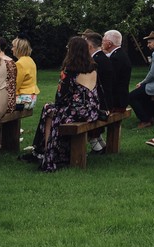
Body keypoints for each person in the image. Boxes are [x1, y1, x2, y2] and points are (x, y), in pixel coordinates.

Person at [31, 36, 101, 172]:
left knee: (48, 110)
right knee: (52, 110)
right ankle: (53, 151)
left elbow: (60, 96)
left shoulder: (70, 70)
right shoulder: (93, 67)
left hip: (79, 111)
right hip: (92, 109)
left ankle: (47, 151)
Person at [97, 30, 134, 113]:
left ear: (109, 43)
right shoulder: (120, 54)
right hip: (120, 99)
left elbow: (111, 80)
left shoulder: (115, 58)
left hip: (117, 101)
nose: (102, 43)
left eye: (103, 41)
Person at [12, 38, 39, 109]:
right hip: (32, 98)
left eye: (13, 46)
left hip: (24, 98)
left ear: (19, 48)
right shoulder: (30, 60)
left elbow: (16, 83)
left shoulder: (20, 63)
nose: (12, 49)